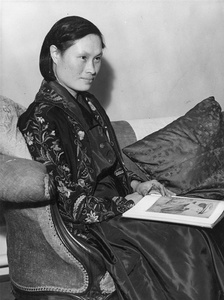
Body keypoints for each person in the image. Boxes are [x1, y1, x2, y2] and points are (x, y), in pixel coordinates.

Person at [18, 16, 224, 300]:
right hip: (96, 221)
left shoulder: (88, 101)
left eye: (98, 59)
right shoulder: (41, 119)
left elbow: (113, 166)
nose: (92, 69)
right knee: (187, 238)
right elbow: (73, 207)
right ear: (55, 53)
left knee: (210, 217)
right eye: (83, 58)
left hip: (122, 205)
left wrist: (139, 186)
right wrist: (128, 202)